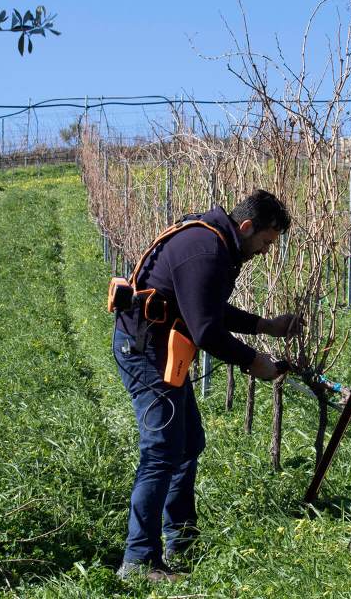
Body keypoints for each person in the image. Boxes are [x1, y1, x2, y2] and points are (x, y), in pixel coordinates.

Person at [114, 189, 296, 581]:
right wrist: (253, 362)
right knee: (162, 450)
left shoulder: (213, 242)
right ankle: (139, 561)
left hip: (161, 347)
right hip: (146, 350)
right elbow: (207, 330)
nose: (266, 251)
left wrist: (264, 326)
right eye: (265, 241)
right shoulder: (207, 249)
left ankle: (181, 540)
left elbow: (204, 305)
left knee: (188, 442)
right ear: (246, 227)